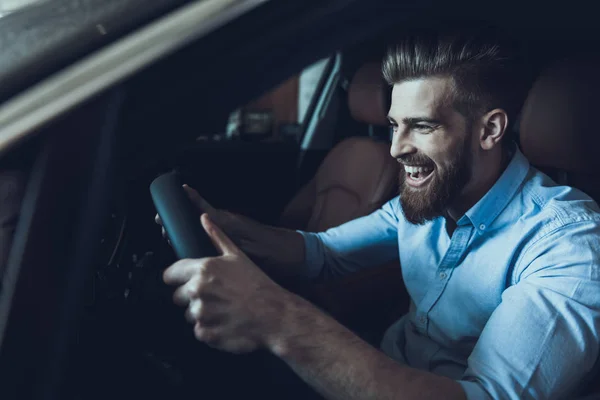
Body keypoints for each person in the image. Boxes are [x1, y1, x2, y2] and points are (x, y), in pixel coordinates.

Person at [156, 29, 600, 399]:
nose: (395, 149)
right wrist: (220, 227)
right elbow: (321, 252)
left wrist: (277, 317)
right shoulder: (430, 196)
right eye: (394, 125)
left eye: (422, 126)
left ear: (489, 130)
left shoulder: (569, 245)